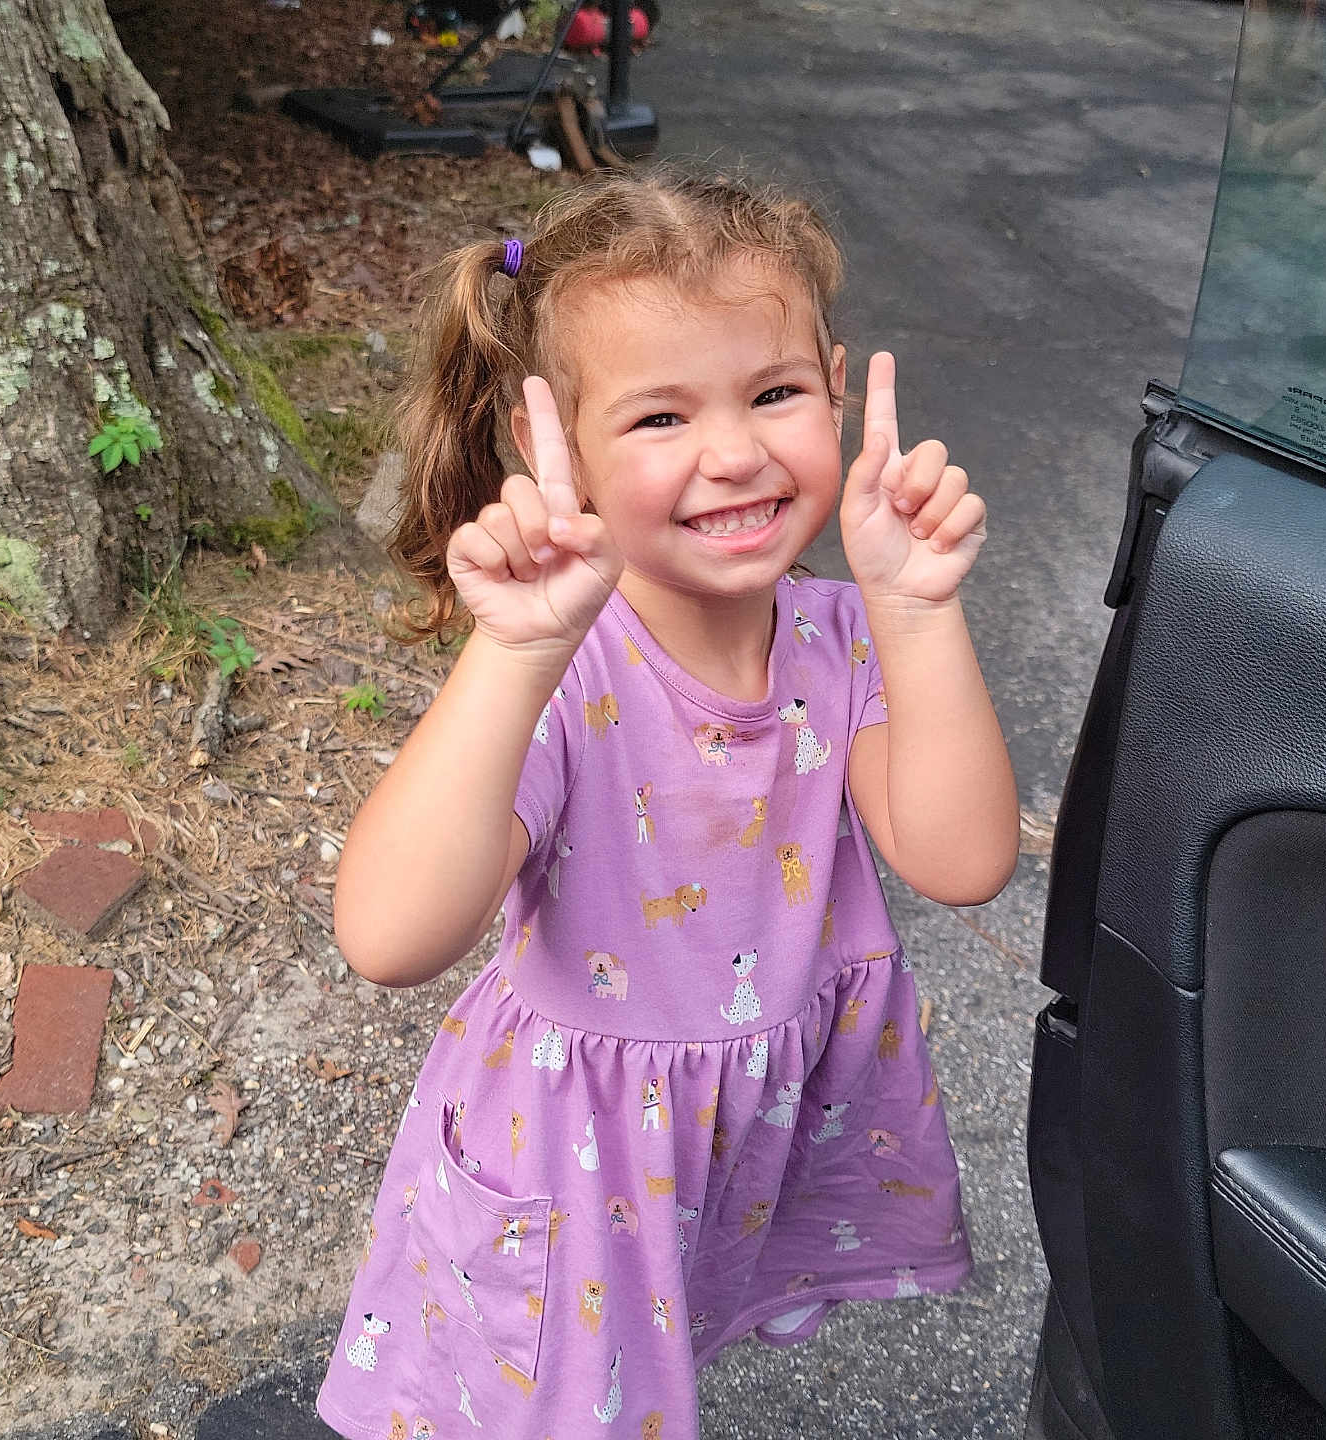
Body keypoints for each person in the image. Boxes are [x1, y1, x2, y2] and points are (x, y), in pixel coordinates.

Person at [315, 168, 1019, 1440]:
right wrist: (513, 657)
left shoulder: (846, 637)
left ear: (838, 384)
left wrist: (918, 612)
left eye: (774, 393)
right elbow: (387, 934)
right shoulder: (563, 674)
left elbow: (961, 860)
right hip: (573, 1170)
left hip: (731, 1149)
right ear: (557, 451)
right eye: (657, 419)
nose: (736, 452)